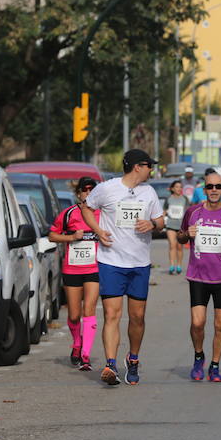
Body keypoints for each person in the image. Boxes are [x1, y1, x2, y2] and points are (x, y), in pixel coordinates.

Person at [81, 149, 164, 385]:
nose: (152, 169)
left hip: (139, 263)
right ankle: (110, 365)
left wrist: (152, 223)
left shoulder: (149, 192)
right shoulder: (107, 188)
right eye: (149, 165)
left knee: (137, 317)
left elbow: (160, 221)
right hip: (111, 262)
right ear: (138, 166)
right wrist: (97, 231)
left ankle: (133, 359)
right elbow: (86, 207)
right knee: (111, 314)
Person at [177, 172, 221, 382]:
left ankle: (215, 365)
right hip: (198, 276)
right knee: (198, 323)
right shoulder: (193, 212)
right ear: (204, 190)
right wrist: (186, 234)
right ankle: (199, 357)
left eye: (218, 187)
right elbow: (181, 237)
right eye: (210, 187)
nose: (214, 190)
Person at [49, 176, 100, 371]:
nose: (88, 193)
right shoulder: (68, 214)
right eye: (85, 190)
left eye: (92, 190)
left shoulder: (102, 214)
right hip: (72, 269)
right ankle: (77, 344)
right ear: (78, 193)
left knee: (89, 310)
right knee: (73, 315)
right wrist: (71, 236)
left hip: (94, 268)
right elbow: (52, 235)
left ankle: (85, 355)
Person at [163, 180, 188, 274]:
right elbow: (164, 211)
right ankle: (172, 266)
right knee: (172, 245)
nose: (179, 189)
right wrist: (162, 221)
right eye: (177, 187)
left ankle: (179, 266)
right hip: (170, 225)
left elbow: (187, 212)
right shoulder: (168, 198)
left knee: (179, 247)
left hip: (181, 226)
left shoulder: (184, 199)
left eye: (180, 187)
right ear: (172, 188)